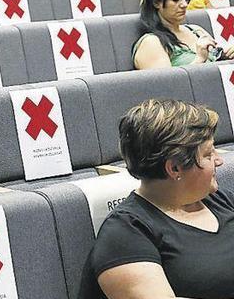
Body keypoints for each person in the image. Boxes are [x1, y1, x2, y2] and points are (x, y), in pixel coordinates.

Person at [81, 99, 234, 298]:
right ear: (175, 168)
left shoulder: (221, 200)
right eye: (208, 154)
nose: (219, 160)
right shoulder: (126, 232)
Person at [132, 0, 232, 69]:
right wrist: (199, 60)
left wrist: (228, 55)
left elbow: (218, 62)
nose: (184, 5)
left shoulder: (196, 30)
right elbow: (165, 83)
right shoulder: (151, 42)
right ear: (156, 2)